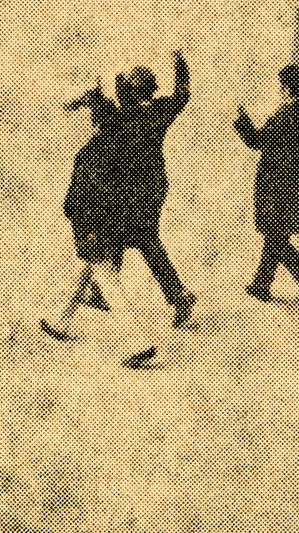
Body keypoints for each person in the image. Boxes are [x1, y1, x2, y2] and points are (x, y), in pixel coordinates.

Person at [40, 77, 157, 368]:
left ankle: (138, 340)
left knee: (105, 275)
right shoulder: (121, 135)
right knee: (91, 269)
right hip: (114, 219)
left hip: (96, 221)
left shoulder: (99, 151)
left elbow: (94, 192)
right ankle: (60, 319)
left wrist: (88, 227)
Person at [234, 64, 299, 317]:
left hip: (273, 185)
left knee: (275, 235)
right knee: (276, 236)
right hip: (298, 183)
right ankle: (261, 285)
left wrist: (241, 119)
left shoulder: (281, 117)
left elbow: (255, 141)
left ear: (283, 88)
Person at [108, 49, 197, 329]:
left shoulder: (125, 116)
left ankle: (106, 287)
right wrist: (180, 65)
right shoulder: (157, 112)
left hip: (132, 189)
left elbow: (118, 91)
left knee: (128, 236)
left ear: (133, 92)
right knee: (137, 238)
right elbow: (182, 95)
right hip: (153, 186)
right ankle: (177, 294)